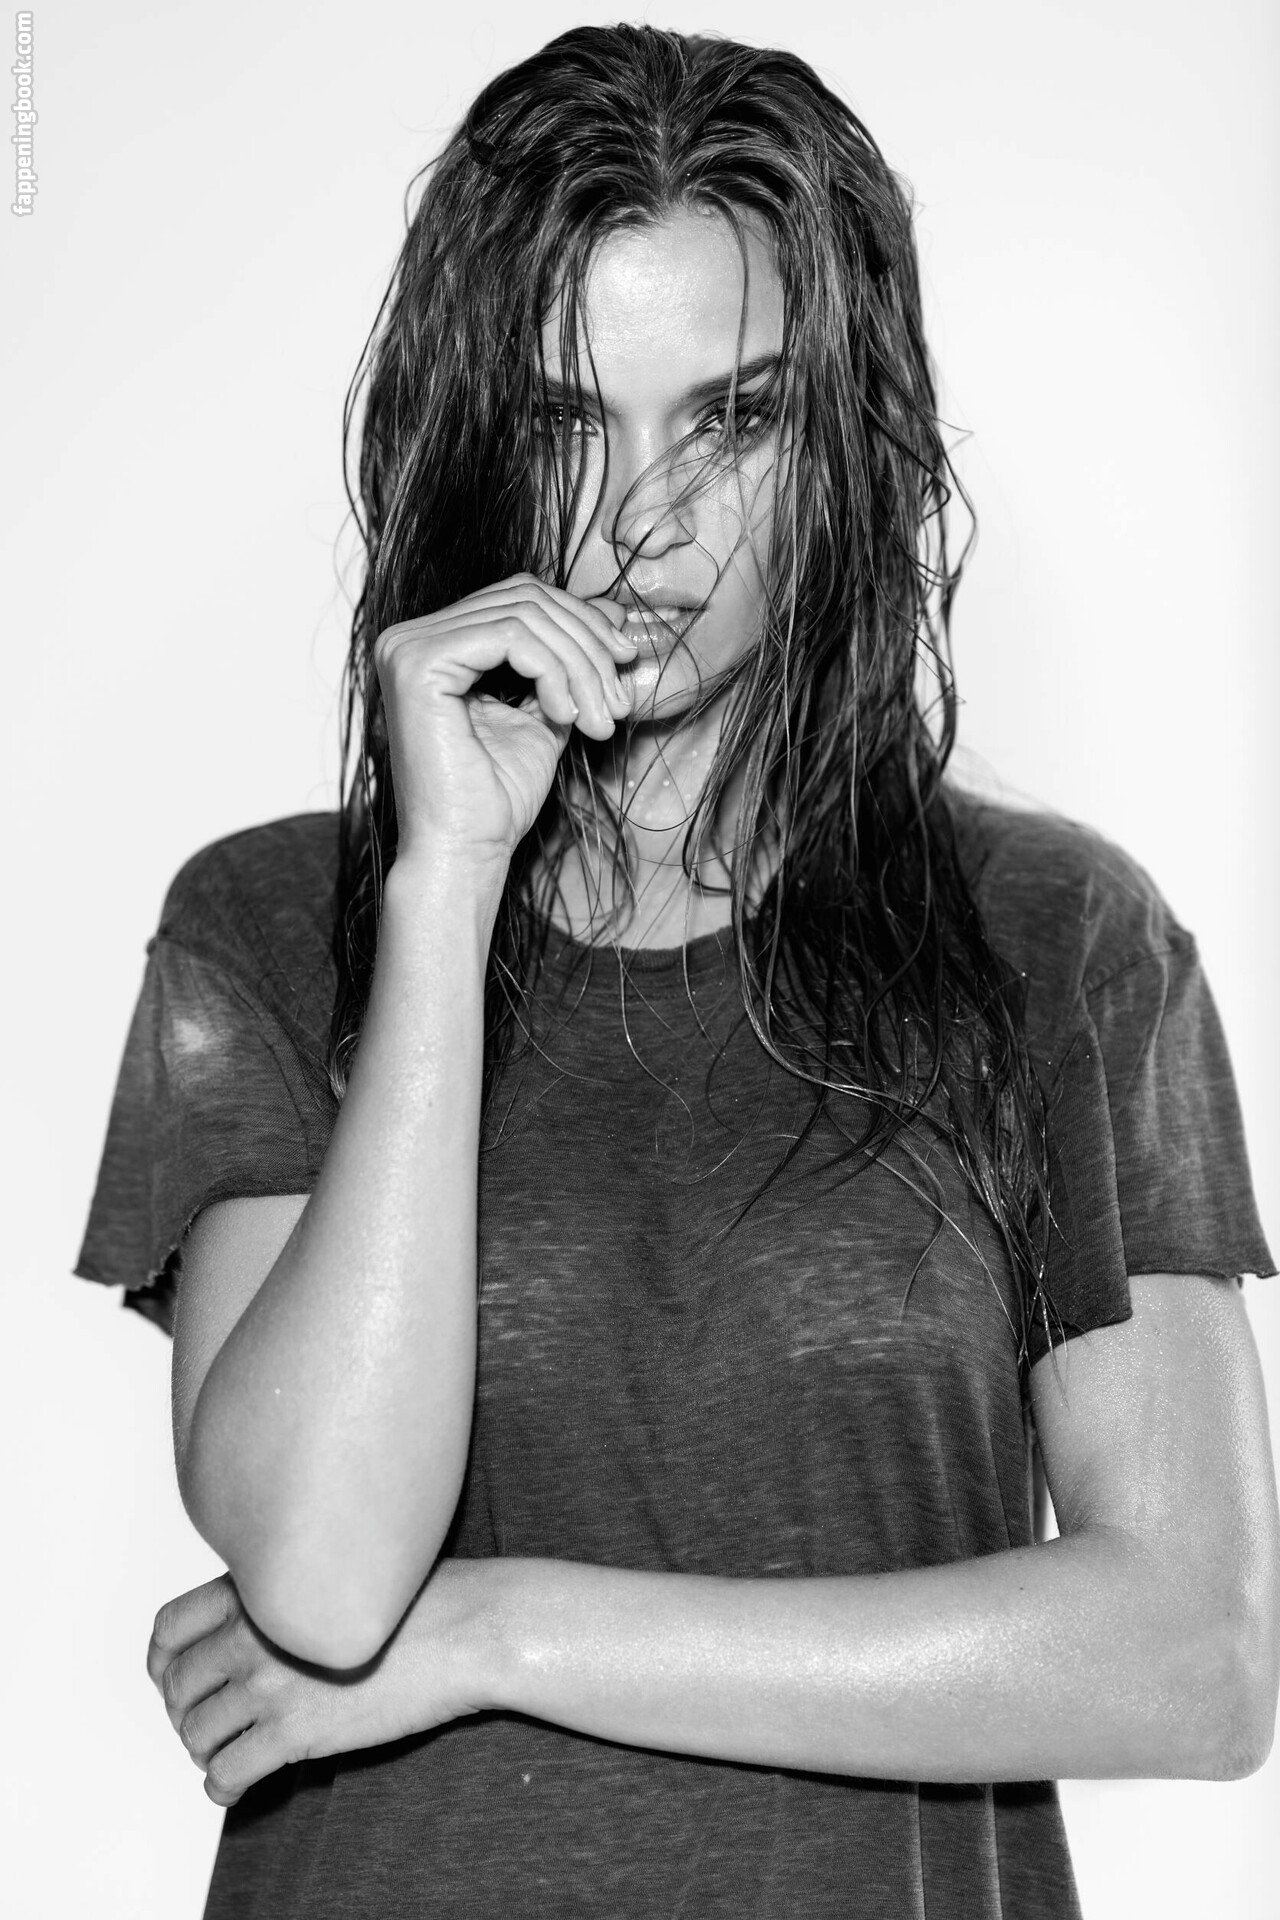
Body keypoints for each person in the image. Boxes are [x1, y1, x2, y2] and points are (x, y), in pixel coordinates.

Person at [74, 23, 1279, 1920]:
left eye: (733, 420)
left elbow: (1193, 1657)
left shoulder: (1057, 939)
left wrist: (498, 1634)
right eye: (571, 421)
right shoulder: (274, 928)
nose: (647, 515)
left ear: (847, 435)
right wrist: (445, 881)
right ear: (478, 437)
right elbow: (320, 1573)